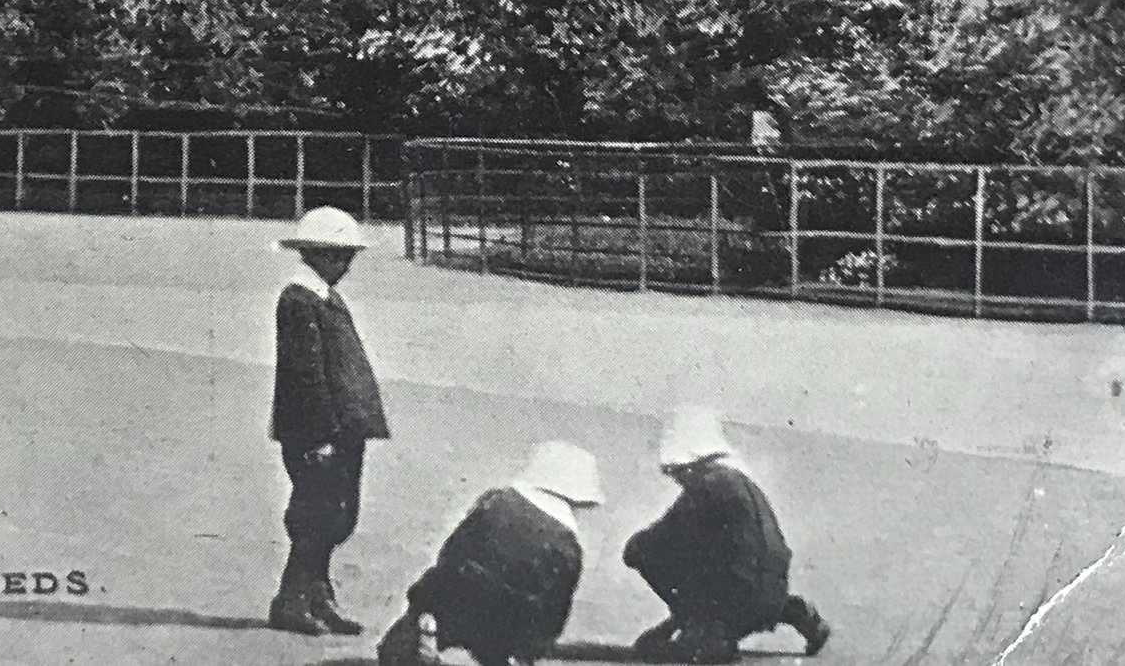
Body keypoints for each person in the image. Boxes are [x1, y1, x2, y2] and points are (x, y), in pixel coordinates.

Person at [268, 205, 392, 636]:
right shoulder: (299, 300)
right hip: (318, 430)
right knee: (316, 513)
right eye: (339, 255)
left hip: (344, 427)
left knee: (340, 515)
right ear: (315, 254)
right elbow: (306, 375)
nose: (346, 264)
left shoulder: (324, 297)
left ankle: (319, 592)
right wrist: (320, 435)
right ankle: (291, 598)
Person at [624, 409, 831, 664]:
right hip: (772, 592)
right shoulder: (740, 481)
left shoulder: (707, 486)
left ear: (688, 464)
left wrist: (636, 549)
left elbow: (661, 538)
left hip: (736, 602)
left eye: (675, 472)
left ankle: (709, 634)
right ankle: (792, 611)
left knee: (644, 552)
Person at [378, 440, 603, 666]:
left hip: (450, 612)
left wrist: (424, 608)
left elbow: (450, 556)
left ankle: (428, 634)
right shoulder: (568, 548)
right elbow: (552, 619)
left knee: (395, 649)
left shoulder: (494, 504)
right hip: (502, 639)